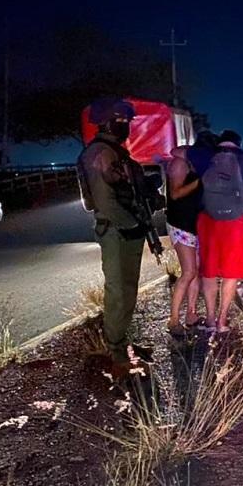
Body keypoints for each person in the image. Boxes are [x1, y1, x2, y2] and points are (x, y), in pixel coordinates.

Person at [77, 98, 157, 375]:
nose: (126, 126)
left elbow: (129, 190)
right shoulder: (99, 153)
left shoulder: (115, 152)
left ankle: (122, 342)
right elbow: (105, 202)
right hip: (116, 230)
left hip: (127, 229)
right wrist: (131, 224)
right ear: (107, 122)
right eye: (121, 121)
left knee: (128, 289)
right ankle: (117, 353)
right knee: (119, 292)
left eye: (127, 122)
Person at [187, 129, 243, 333]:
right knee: (231, 273)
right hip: (235, 222)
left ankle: (209, 319)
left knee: (209, 271)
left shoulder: (206, 156)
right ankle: (222, 321)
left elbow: (175, 152)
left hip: (208, 220)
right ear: (238, 143)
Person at [165, 137, 206, 338]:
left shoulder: (196, 165)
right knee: (189, 272)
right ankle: (173, 319)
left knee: (195, 272)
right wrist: (200, 181)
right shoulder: (179, 164)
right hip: (180, 224)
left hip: (193, 225)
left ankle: (191, 315)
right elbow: (175, 194)